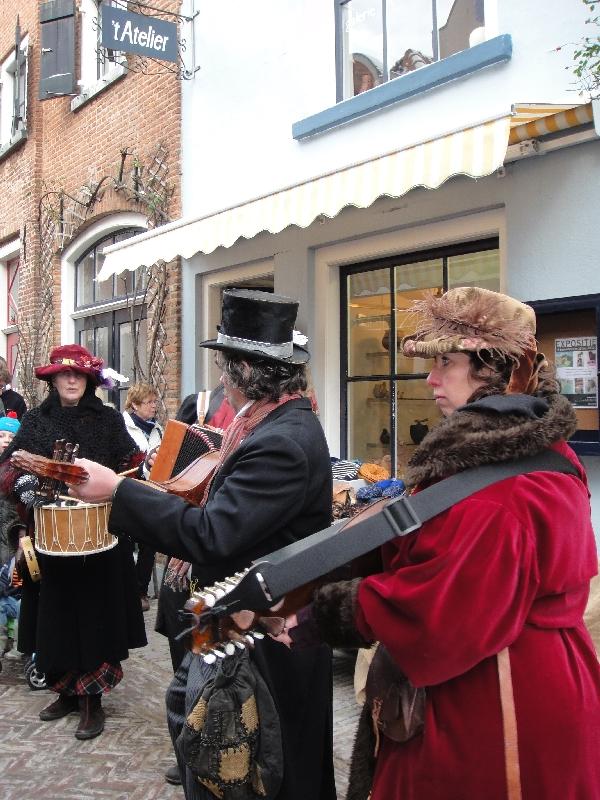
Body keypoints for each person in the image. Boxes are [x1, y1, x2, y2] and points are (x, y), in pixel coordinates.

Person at [280, 287, 600, 800]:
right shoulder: (527, 453)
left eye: (447, 362)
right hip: (525, 672)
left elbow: (443, 610)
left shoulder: (503, 489)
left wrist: (326, 614)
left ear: (499, 372)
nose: (430, 379)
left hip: (496, 697)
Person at [67, 289, 336, 800]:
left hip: (261, 640)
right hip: (249, 629)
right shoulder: (272, 425)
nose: (219, 379)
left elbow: (212, 535)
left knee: (257, 772)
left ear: (246, 371)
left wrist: (119, 490)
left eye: (224, 367)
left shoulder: (280, 440)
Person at [0, 344, 147, 740]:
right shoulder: (35, 421)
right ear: (51, 380)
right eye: (63, 375)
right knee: (57, 618)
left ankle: (92, 701)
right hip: (52, 542)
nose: (70, 380)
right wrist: (27, 485)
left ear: (88, 381)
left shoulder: (109, 420)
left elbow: (133, 467)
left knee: (95, 617)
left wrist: (129, 479)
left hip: (101, 539)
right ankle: (65, 692)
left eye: (78, 375)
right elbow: (8, 468)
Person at [123, 382, 164, 612]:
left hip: (151, 491)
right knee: (126, 540)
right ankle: (127, 588)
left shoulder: (157, 429)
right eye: (149, 402)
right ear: (135, 404)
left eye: (155, 402)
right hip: (129, 490)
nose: (154, 406)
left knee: (149, 541)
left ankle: (140, 589)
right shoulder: (123, 426)